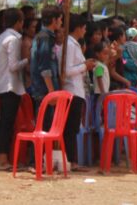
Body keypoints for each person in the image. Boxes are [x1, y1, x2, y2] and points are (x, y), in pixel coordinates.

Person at [58, 14, 95, 169]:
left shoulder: (73, 44)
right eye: (84, 28)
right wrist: (84, 66)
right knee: (70, 128)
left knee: (72, 128)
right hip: (72, 90)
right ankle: (71, 161)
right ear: (78, 28)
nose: (85, 31)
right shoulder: (70, 45)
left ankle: (71, 160)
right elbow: (66, 70)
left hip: (76, 89)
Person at [0, 8, 27, 170]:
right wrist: (28, 59)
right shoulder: (13, 39)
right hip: (11, 86)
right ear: (18, 22)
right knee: (7, 123)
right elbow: (14, 66)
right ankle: (2, 159)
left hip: (1, 84)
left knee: (3, 123)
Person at [30, 5, 62, 124]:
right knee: (45, 128)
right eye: (60, 19)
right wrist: (51, 92)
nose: (61, 22)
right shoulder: (45, 38)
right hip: (44, 91)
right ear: (54, 20)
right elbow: (44, 68)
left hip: (44, 90)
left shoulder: (45, 37)